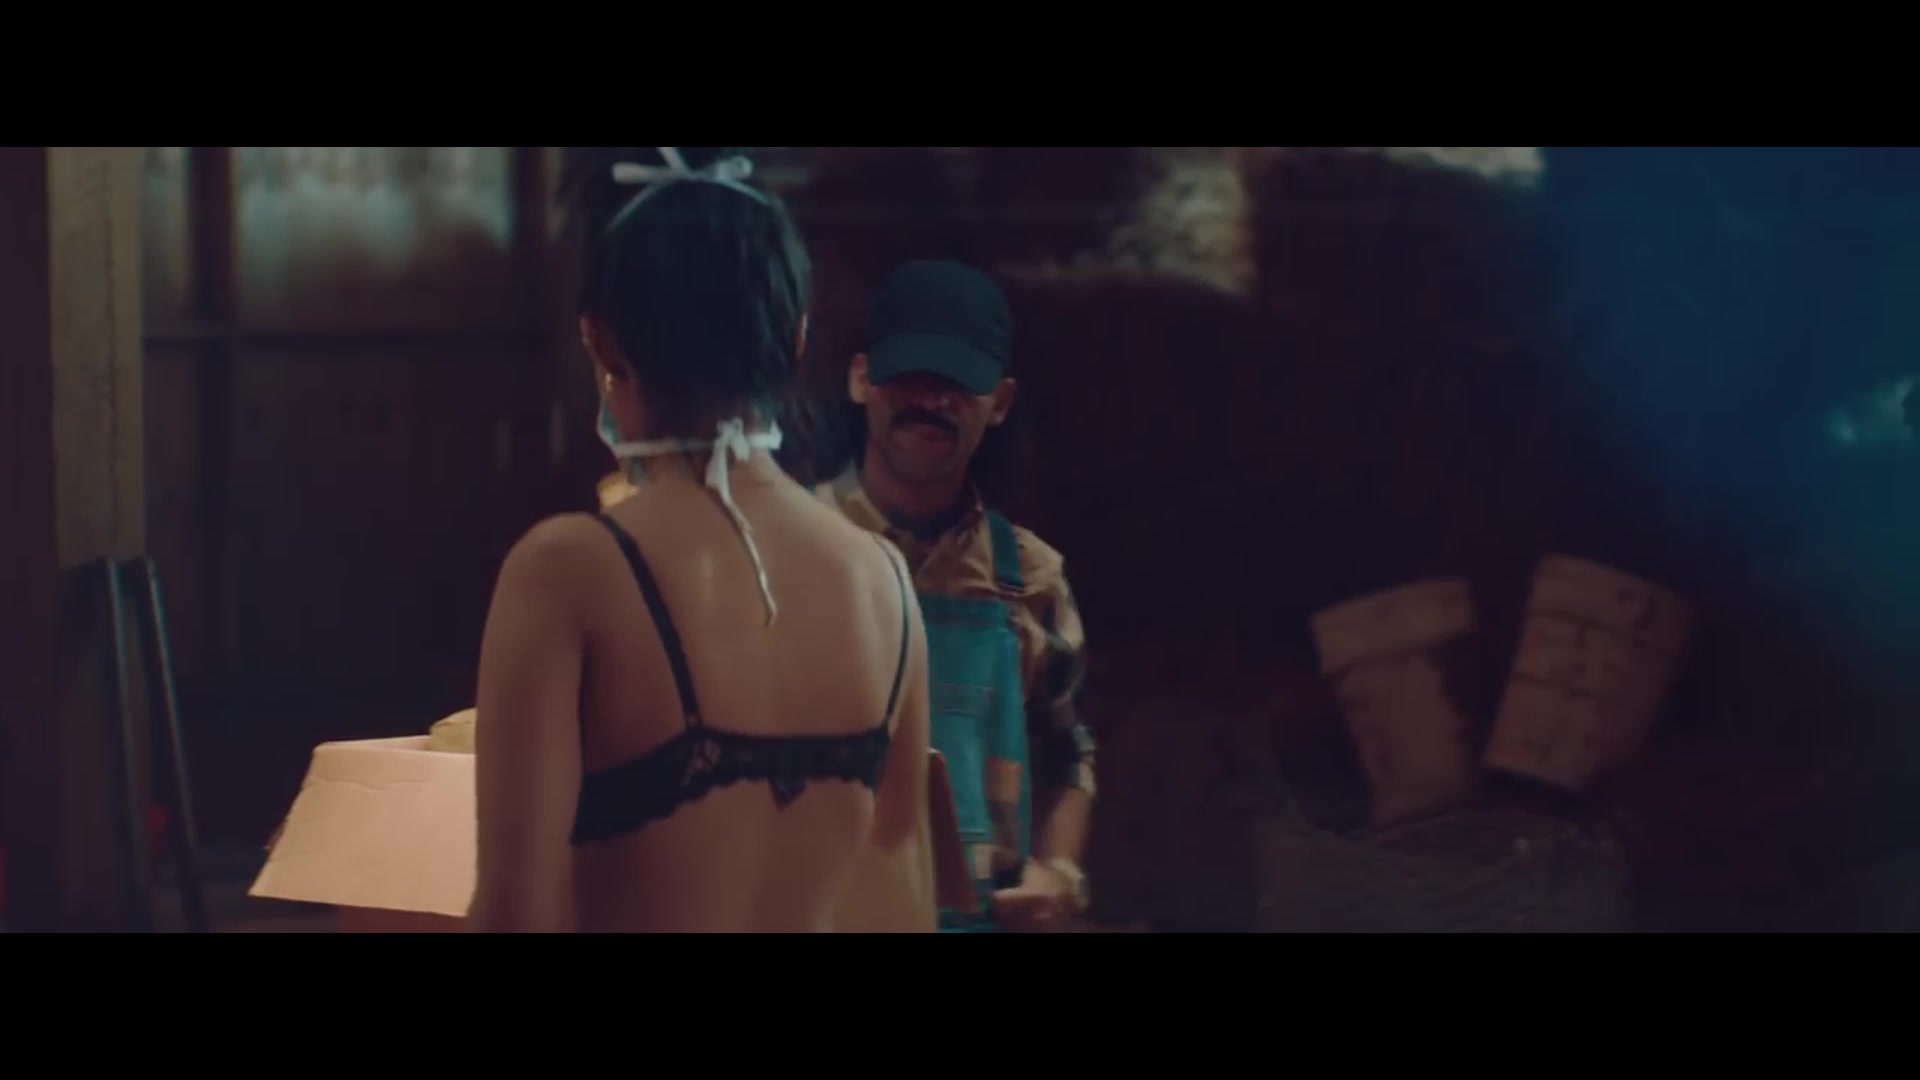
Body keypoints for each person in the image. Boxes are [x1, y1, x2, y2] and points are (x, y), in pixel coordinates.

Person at [469, 148, 934, 933]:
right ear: (796, 337)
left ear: (602, 343)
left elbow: (518, 916)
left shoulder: (568, 571)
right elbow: (901, 906)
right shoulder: (883, 579)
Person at [819, 259, 1097, 933]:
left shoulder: (1028, 580)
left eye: (956, 383)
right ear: (861, 380)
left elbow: (1068, 754)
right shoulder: (787, 555)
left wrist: (1059, 875)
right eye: (909, 376)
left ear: (999, 403)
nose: (930, 399)